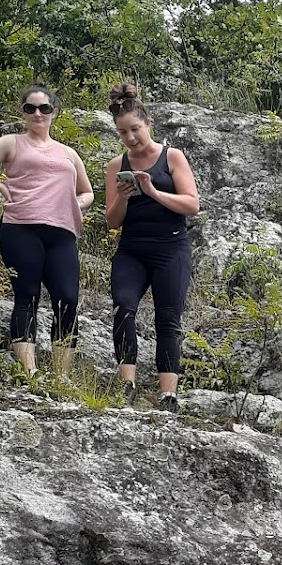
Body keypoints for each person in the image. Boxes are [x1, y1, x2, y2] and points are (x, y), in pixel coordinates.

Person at [0, 84, 93, 378]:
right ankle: (29, 371)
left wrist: (76, 202)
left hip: (62, 232)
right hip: (20, 227)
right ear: (22, 113)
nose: (37, 114)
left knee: (67, 298)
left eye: (44, 108)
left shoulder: (68, 153)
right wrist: (0, 187)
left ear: (54, 113)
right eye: (30, 108)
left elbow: (87, 192)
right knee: (27, 294)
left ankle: (61, 377)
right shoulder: (12, 143)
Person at [104, 83, 199, 411]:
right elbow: (112, 222)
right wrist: (122, 196)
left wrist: (154, 192)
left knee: (167, 320)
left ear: (147, 124)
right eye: (122, 133)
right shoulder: (116, 166)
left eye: (135, 129)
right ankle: (126, 386)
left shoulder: (171, 156)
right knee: (123, 309)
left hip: (171, 249)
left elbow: (191, 205)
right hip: (131, 249)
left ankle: (168, 396)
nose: (130, 138)